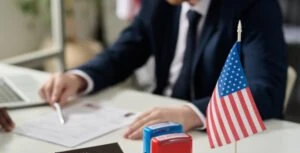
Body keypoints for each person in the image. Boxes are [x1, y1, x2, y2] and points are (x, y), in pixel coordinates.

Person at [39, 0, 287, 140]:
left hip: (215, 135)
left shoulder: (255, 6)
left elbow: (267, 91)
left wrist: (190, 113)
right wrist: (78, 78)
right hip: (156, 125)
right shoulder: (161, 4)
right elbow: (124, 51)